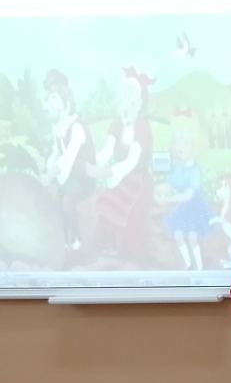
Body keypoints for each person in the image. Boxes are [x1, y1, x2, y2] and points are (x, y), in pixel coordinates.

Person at [85, 66, 156, 264]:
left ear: (139, 103)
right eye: (123, 99)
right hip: (120, 179)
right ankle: (107, 247)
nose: (126, 105)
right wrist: (90, 163)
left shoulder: (142, 126)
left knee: (130, 212)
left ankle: (128, 254)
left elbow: (132, 161)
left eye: (131, 100)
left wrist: (106, 173)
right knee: (106, 201)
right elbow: (107, 151)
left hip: (139, 181)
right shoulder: (116, 124)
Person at [41, 69, 93, 252]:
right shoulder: (58, 128)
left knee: (67, 201)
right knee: (55, 199)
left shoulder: (76, 127)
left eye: (54, 98)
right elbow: (57, 152)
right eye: (48, 98)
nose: (49, 103)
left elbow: (68, 158)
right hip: (68, 177)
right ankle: (64, 240)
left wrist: (52, 173)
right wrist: (47, 166)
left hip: (82, 177)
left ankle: (77, 239)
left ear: (65, 101)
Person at [162, 114, 212, 270]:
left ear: (194, 147)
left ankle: (199, 266)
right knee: (178, 235)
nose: (180, 147)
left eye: (185, 143)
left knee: (192, 236)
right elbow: (170, 184)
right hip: (181, 208)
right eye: (178, 142)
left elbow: (188, 195)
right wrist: (160, 189)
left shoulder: (195, 170)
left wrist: (168, 200)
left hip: (194, 208)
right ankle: (188, 263)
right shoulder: (177, 167)